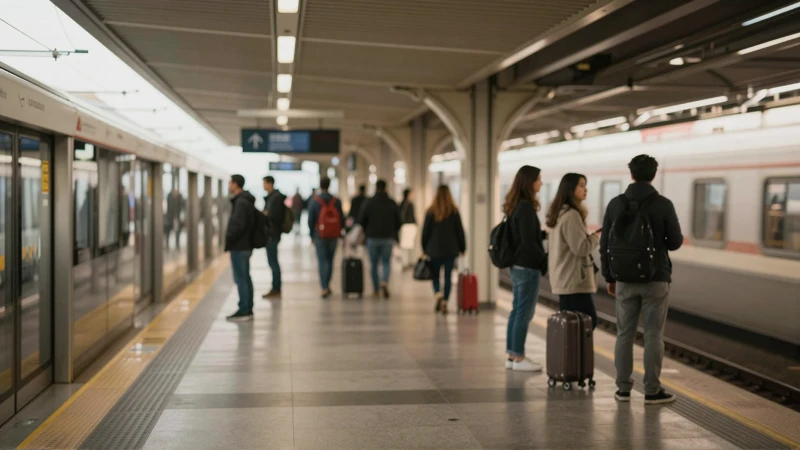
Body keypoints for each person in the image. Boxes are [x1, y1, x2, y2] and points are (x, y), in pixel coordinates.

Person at [601, 154, 683, 405]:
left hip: (624, 279)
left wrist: (609, 277)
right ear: (654, 174)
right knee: (653, 335)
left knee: (624, 334)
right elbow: (676, 242)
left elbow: (605, 245)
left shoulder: (616, 204)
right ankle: (652, 390)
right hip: (656, 279)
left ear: (632, 174)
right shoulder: (663, 204)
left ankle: (623, 389)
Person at [503, 165, 546, 372]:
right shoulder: (526, 207)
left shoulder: (515, 205)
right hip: (527, 267)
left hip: (517, 265)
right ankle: (518, 357)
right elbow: (529, 242)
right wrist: (543, 260)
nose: (541, 183)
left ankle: (512, 355)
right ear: (530, 182)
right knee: (524, 312)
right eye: (538, 179)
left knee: (517, 310)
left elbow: (523, 236)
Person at [546, 173, 601, 330]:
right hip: (573, 280)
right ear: (571, 189)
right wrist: (596, 236)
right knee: (588, 321)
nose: (586, 189)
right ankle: (577, 354)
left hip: (566, 277)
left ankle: (574, 354)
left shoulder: (561, 213)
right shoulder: (572, 215)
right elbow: (581, 248)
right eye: (582, 185)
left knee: (573, 326)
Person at [421, 185, 466, 315]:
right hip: (450, 250)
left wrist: (424, 248)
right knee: (448, 277)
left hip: (433, 250)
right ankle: (445, 301)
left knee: (434, 275)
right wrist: (463, 248)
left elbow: (425, 232)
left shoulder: (430, 211)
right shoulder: (454, 211)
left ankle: (438, 295)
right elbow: (460, 232)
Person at [358, 179, 401, 298]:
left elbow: (361, 220)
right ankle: (384, 282)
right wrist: (393, 231)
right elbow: (399, 221)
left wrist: (367, 230)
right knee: (386, 262)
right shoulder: (392, 202)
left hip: (372, 237)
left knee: (374, 263)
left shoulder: (369, 202)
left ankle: (376, 289)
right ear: (386, 188)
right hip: (388, 237)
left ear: (376, 188)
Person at [225, 174, 256, 321]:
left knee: (241, 278)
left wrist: (229, 238)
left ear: (236, 184)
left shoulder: (241, 202)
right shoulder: (246, 200)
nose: (229, 185)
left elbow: (238, 225)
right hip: (245, 245)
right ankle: (247, 307)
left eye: (230, 183)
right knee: (245, 277)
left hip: (240, 246)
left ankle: (244, 309)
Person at [307, 177, 345, 298]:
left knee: (322, 260)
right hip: (333, 235)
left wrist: (311, 234)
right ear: (329, 185)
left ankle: (323, 287)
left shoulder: (315, 201)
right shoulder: (336, 201)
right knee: (330, 260)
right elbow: (341, 218)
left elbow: (310, 220)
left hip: (319, 235)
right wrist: (340, 232)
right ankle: (327, 285)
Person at [262, 176, 285, 299]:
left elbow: (270, 215)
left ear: (270, 184)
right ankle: (276, 287)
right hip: (274, 233)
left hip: (272, 233)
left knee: (273, 261)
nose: (263, 185)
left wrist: (264, 214)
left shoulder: (274, 198)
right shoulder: (275, 197)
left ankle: (276, 287)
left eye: (264, 183)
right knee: (273, 261)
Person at [398, 188, 417, 269]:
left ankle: (405, 262)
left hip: (404, 226)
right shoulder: (409, 204)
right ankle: (407, 262)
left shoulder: (401, 203)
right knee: (408, 246)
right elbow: (412, 217)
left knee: (405, 246)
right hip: (409, 226)